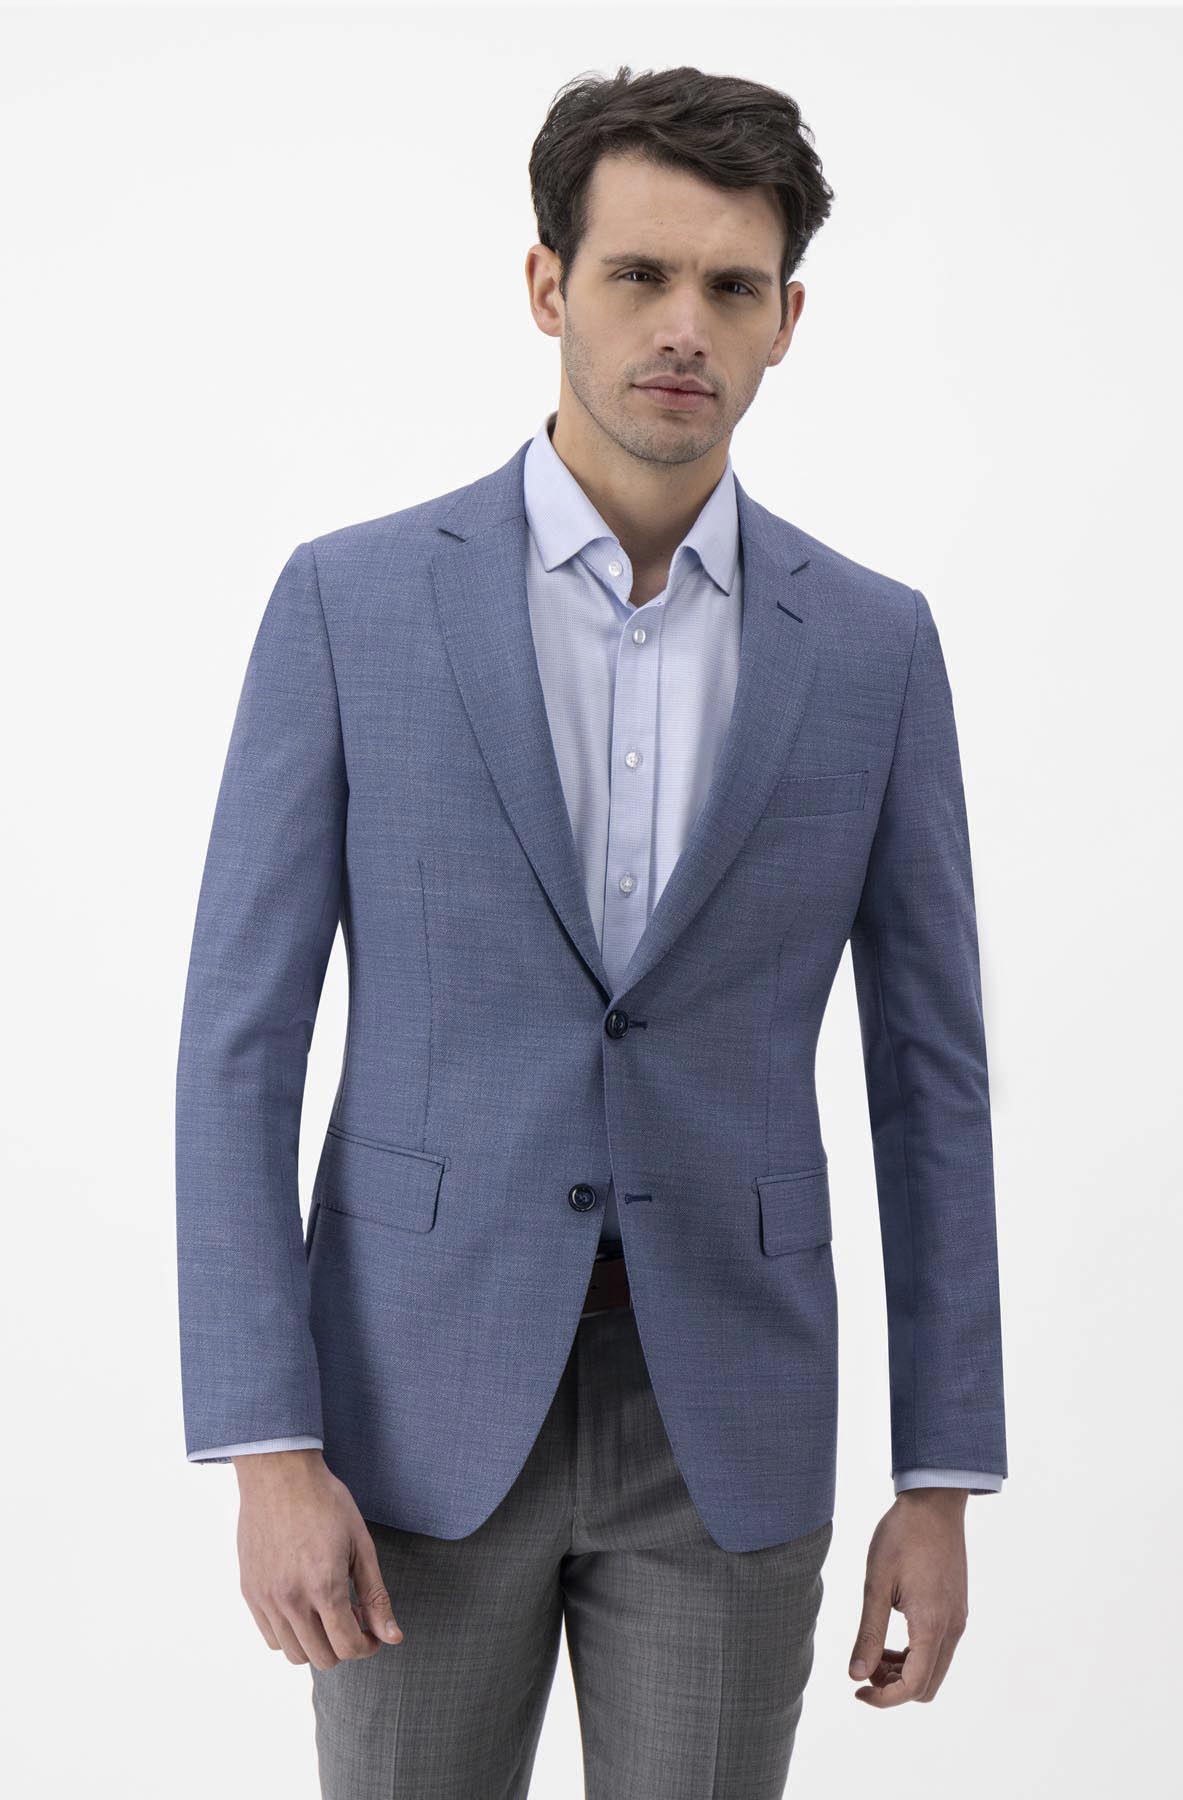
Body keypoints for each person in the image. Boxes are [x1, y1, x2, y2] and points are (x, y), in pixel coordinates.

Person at [176, 61, 1007, 1798]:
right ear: (549, 286)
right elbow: (238, 1048)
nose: (684, 326)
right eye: (639, 274)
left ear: (788, 322)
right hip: (409, 1407)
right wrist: (267, 1444)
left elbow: (932, 1082)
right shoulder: (350, 606)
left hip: (730, 1417)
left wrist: (939, 1478)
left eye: (733, 287)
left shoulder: (874, 650)